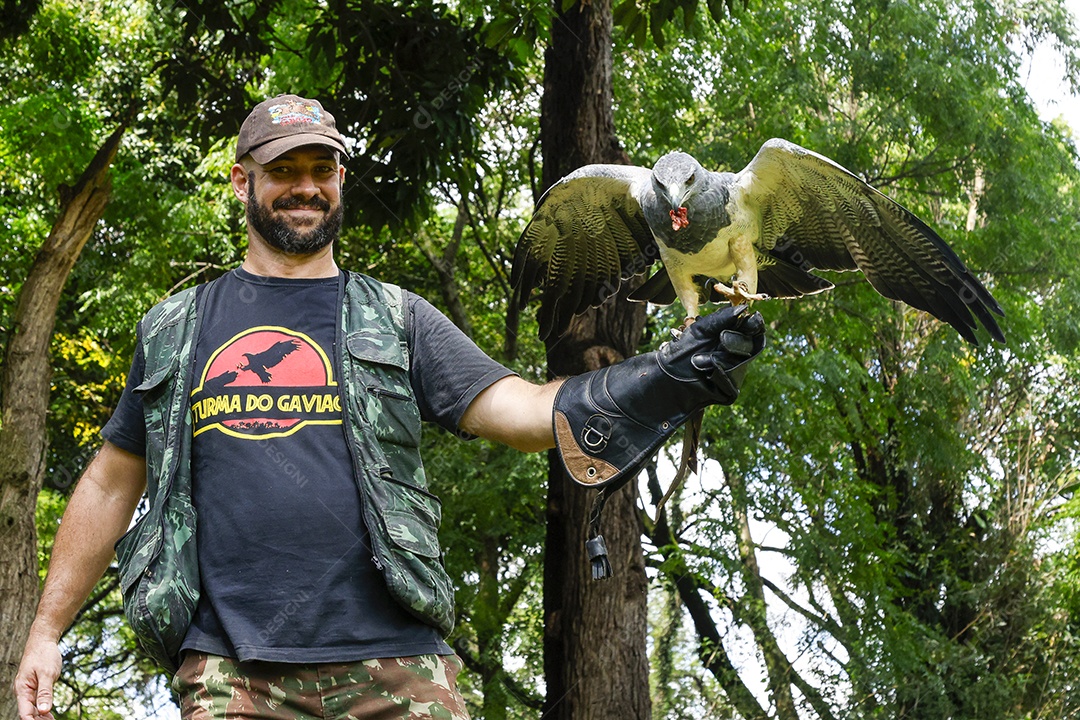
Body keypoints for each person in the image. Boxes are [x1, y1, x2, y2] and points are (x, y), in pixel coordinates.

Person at [14, 94, 765, 720]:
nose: (305, 186)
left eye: (321, 169)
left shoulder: (395, 316)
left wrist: (653, 378)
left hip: (399, 665)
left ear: (340, 180)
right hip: (230, 674)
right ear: (243, 183)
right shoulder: (177, 329)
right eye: (283, 171)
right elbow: (114, 482)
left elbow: (518, 410)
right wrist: (47, 632)